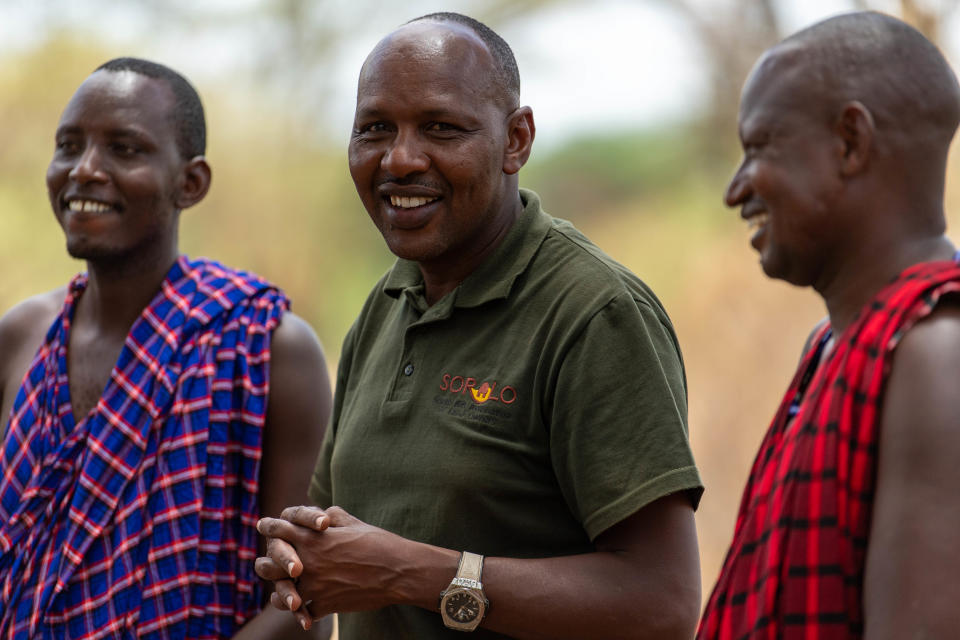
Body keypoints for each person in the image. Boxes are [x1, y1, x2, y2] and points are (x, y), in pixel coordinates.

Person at [255, 12, 703, 640]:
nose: (401, 159)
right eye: (374, 129)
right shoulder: (387, 304)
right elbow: (337, 543)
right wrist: (299, 558)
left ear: (516, 139)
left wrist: (411, 574)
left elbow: (664, 605)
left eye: (442, 128)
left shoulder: (593, 313)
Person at [0, 58, 333, 639]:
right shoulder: (21, 336)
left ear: (191, 182)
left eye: (124, 149)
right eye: (68, 146)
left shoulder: (267, 346)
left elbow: (304, 601)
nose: (84, 171)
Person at [698, 11, 960, 640]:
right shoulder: (833, 348)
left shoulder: (935, 349)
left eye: (759, 148)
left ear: (850, 142)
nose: (736, 192)